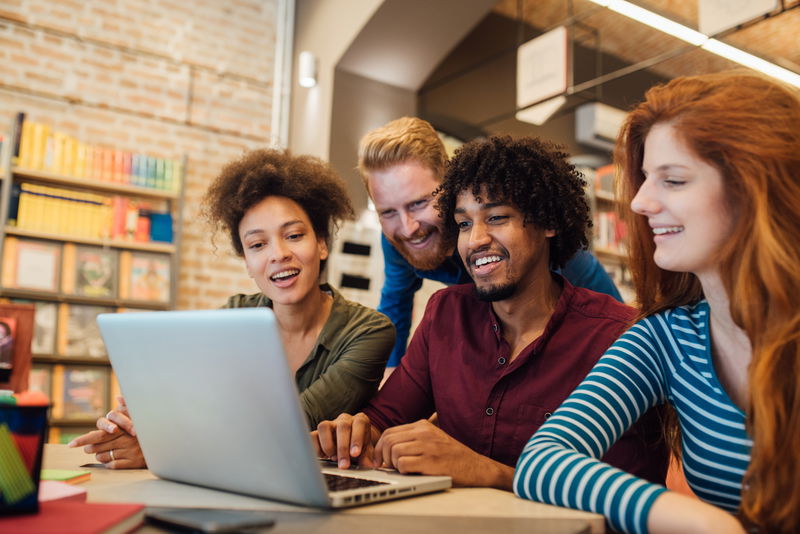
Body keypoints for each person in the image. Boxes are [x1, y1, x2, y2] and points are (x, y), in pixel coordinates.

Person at [513, 72, 800, 534]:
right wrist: (706, 523)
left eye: (675, 180)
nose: (642, 202)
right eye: (645, 178)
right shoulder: (667, 337)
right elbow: (543, 461)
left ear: (755, 191)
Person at [313, 136, 668, 489]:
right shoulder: (446, 315)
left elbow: (629, 494)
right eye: (464, 224)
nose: (475, 239)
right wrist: (354, 431)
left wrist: (489, 472)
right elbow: (383, 417)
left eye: (496, 217)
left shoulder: (621, 337)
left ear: (547, 222)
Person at [69, 149, 395, 469]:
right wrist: (141, 428)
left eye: (294, 235)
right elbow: (189, 406)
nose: (278, 254)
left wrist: (165, 446)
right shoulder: (233, 316)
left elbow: (293, 426)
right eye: (257, 245)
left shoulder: (368, 332)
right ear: (247, 263)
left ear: (322, 243)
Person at [358, 117, 624, 369]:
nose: (407, 228)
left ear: (451, 188)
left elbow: (618, 326)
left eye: (419, 203)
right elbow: (395, 304)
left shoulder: (534, 243)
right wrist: (389, 375)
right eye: (388, 212)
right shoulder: (398, 240)